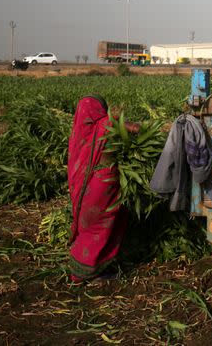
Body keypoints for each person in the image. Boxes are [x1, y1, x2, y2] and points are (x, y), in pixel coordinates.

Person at [67, 96, 136, 283]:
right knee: (100, 227)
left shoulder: (80, 132)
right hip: (102, 187)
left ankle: (86, 267)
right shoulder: (104, 125)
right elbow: (135, 129)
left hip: (85, 190)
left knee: (89, 227)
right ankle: (90, 272)